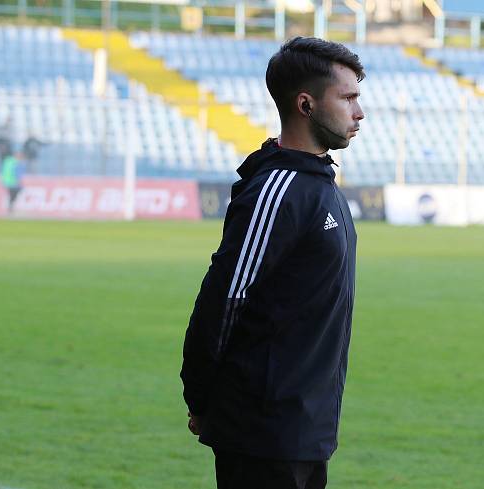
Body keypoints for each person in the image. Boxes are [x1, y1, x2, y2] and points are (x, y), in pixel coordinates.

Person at [181, 37, 365, 489]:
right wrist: (201, 399)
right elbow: (223, 300)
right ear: (306, 104)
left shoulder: (321, 185)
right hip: (263, 431)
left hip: (305, 426)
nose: (359, 113)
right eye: (348, 98)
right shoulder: (277, 189)